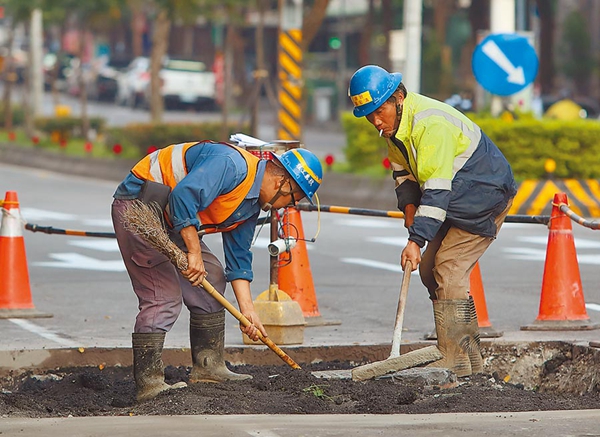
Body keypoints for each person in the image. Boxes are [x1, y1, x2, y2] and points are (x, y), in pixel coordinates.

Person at [111, 140, 323, 401]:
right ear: (284, 183)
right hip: (140, 206)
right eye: (293, 199)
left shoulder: (251, 204)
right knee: (162, 297)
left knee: (212, 276)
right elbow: (183, 196)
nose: (287, 207)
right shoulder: (231, 166)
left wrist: (248, 313)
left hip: (171, 217)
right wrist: (194, 253)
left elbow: (239, 260)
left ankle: (208, 366)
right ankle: (149, 382)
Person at [348, 65, 517, 377]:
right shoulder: (394, 129)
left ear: (397, 98)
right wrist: (411, 219)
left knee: (449, 270)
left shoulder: (430, 124)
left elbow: (437, 193)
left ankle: (456, 362)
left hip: (484, 196)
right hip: (455, 197)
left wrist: (416, 241)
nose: (375, 121)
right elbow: (404, 176)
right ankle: (468, 356)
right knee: (428, 269)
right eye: (368, 115)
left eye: (379, 111)